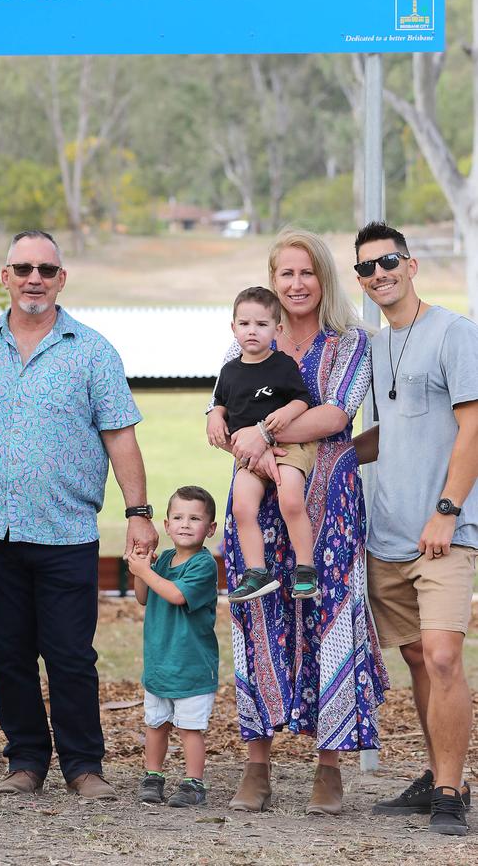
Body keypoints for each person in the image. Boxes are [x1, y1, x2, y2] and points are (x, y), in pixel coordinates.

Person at [0, 229, 158, 799]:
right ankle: (25, 761)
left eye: (46, 270)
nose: (34, 279)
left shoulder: (92, 350)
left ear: (61, 279)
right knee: (10, 654)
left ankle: (83, 765)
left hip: (67, 532)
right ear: (4, 277)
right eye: (22, 268)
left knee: (72, 656)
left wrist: (139, 512)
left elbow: (121, 436)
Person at [207, 227, 387, 816]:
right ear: (272, 280)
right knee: (259, 615)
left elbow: (336, 416)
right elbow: (228, 410)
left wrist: (260, 432)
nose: (296, 283)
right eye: (286, 273)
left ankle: (329, 768)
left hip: (328, 500)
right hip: (257, 501)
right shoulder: (251, 339)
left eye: (307, 272)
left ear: (324, 278)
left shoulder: (350, 343)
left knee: (330, 617)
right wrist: (236, 431)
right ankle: (256, 763)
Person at [353, 221, 478, 837]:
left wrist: (448, 510)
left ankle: (453, 794)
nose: (380, 274)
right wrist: (333, 460)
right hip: (388, 533)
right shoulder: (375, 346)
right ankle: (435, 776)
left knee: (445, 655)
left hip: (445, 531)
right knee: (416, 661)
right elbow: (393, 432)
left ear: (412, 264)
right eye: (368, 268)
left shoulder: (456, 333)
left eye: (389, 262)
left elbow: (473, 426)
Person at [210, 286, 317, 602]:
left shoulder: (282, 365)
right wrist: (216, 416)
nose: (252, 331)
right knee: (242, 507)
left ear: (277, 330)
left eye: (261, 324)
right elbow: (220, 402)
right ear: (233, 328)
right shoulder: (230, 371)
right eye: (244, 324)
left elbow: (303, 400)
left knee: (291, 500)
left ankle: (306, 569)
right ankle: (257, 572)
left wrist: (285, 414)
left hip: (288, 449)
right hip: (249, 455)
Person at [129, 485, 218, 808]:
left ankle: (193, 783)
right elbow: (143, 596)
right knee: (156, 723)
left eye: (194, 518)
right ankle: (153, 775)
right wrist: (141, 568)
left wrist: (145, 572)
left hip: (192, 664)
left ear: (210, 529)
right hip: (160, 661)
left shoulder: (204, 565)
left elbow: (177, 595)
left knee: (190, 728)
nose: (184, 524)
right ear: (166, 525)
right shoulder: (164, 559)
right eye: (178, 517)